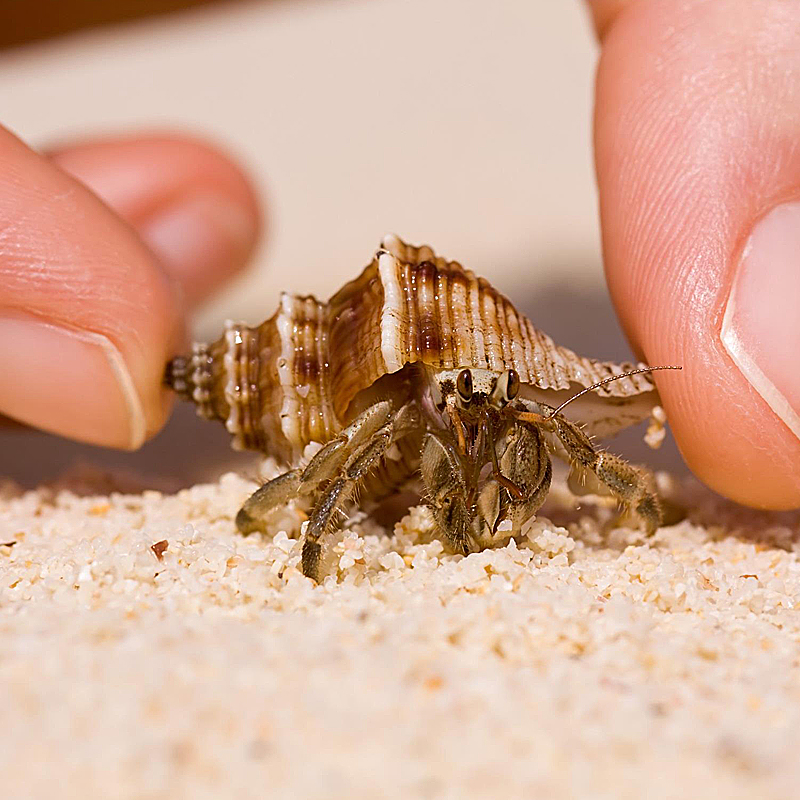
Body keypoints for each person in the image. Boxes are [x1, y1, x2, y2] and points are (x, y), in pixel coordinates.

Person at [1, 0, 798, 509]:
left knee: (515, 412)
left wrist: (617, 484)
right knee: (370, 439)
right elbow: (378, 430)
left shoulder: (491, 400)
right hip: (387, 407)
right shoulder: (405, 400)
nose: (484, 408)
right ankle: (307, 508)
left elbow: (515, 412)